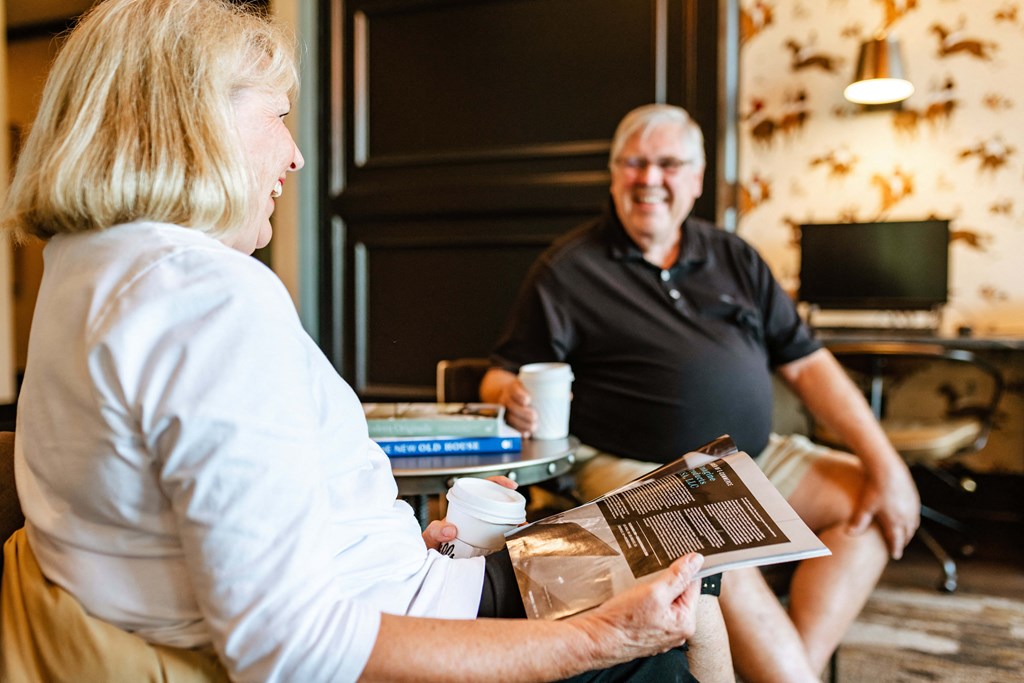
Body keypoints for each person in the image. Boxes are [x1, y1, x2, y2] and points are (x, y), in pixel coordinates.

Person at [0, 4, 710, 682]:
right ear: (199, 121)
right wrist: (598, 639)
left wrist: (391, 540)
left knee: (656, 547)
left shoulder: (83, 266)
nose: (297, 154)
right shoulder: (209, 298)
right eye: (278, 117)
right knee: (686, 598)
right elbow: (291, 647)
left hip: (404, 582)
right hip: (408, 630)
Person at [480, 103, 922, 683]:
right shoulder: (568, 269)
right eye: (634, 164)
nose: (649, 179)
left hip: (755, 456)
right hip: (635, 464)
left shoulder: (734, 256)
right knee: (713, 535)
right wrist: (508, 389)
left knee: (868, 495)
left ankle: (795, 669)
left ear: (696, 177)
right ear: (615, 176)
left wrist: (886, 463)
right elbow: (500, 371)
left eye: (668, 164)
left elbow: (809, 365)